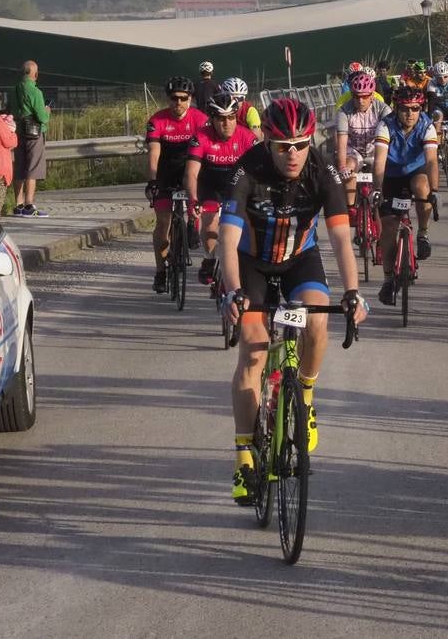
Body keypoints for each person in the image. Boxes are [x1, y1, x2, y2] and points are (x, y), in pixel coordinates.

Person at [217, 98, 367, 504]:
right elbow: (227, 242)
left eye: (301, 144)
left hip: (300, 259)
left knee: (318, 321)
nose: (294, 154)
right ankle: (244, 454)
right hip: (251, 264)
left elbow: (340, 239)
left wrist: (353, 292)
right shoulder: (247, 169)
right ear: (267, 140)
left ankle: (304, 395)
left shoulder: (323, 171)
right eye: (284, 146)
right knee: (254, 349)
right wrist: (232, 291)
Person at [372, 85, 440, 306]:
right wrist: (377, 190)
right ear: (396, 108)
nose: (410, 114)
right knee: (389, 228)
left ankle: (423, 233)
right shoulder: (385, 125)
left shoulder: (426, 125)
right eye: (404, 109)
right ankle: (389, 279)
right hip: (391, 175)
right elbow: (379, 162)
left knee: (422, 187)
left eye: (415, 108)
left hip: (416, 171)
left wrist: (435, 192)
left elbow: (431, 161)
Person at [184, 92, 258, 285]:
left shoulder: (247, 137)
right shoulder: (200, 137)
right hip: (211, 186)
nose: (227, 123)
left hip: (238, 187)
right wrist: (192, 200)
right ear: (212, 119)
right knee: (209, 222)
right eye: (221, 119)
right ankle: (209, 260)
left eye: (231, 118)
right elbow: (191, 173)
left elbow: (260, 172)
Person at [145, 76, 209, 293]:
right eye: (174, 98)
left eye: (184, 98)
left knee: (197, 202)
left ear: (190, 99)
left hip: (190, 172)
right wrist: (153, 181)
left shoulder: (200, 119)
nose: (179, 103)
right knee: (163, 223)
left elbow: (206, 151)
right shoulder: (157, 120)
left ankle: (192, 225)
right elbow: (154, 153)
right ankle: (160, 271)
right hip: (165, 174)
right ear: (168, 99)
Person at [335, 72, 391, 208]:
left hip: (375, 150)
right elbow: (341, 142)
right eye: (356, 96)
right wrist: (342, 167)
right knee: (347, 169)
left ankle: (382, 203)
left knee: (386, 172)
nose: (360, 100)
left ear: (372, 95)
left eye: (365, 96)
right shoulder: (344, 111)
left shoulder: (383, 109)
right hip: (354, 151)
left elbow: (392, 137)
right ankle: (351, 207)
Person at [11, 59, 50, 218]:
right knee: (32, 168)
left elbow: (11, 109)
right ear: (35, 74)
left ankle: (18, 205)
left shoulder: (14, 89)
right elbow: (42, 117)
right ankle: (29, 205)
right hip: (33, 134)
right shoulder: (35, 92)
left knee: (19, 166)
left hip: (18, 132)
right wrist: (47, 110)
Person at [426, 61, 448, 158]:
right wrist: (430, 118)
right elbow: (431, 103)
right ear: (435, 77)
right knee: (437, 120)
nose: (442, 79)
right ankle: (439, 149)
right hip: (439, 108)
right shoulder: (431, 83)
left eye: (445, 77)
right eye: (439, 77)